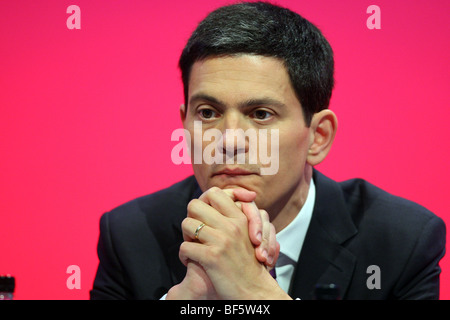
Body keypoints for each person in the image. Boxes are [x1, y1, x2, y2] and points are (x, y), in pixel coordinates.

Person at [90, 1, 446, 300]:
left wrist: (255, 292)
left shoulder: (401, 242)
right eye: (208, 113)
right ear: (185, 124)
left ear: (318, 136)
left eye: (260, 114)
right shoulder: (130, 235)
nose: (228, 141)